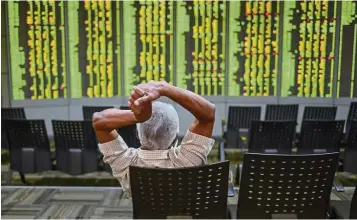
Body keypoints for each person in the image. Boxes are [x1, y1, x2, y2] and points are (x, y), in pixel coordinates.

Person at [92, 81, 215, 198]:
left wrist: (138, 117)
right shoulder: (188, 160)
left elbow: (98, 120)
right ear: (175, 136)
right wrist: (164, 88)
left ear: (137, 134)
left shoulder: (125, 163)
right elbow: (208, 114)